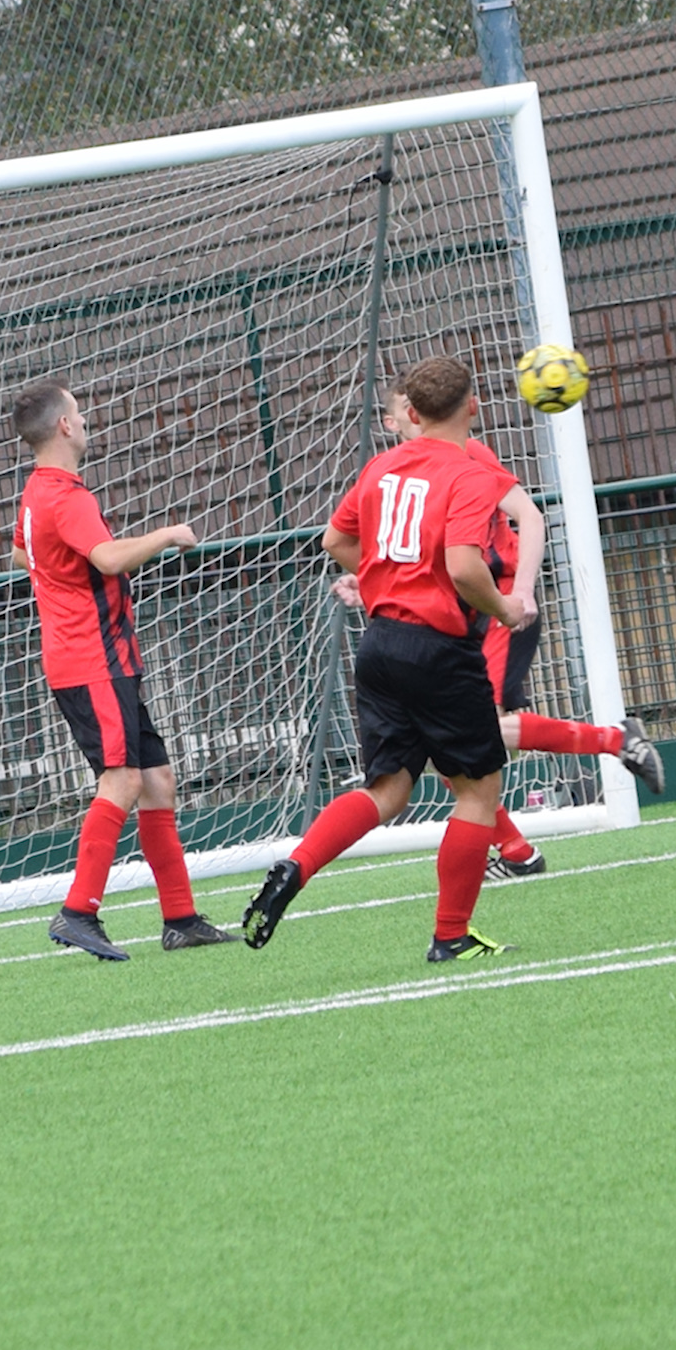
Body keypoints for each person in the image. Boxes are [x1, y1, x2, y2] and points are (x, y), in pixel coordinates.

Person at [242, 355, 527, 962]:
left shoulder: (382, 467)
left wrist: (380, 580)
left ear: (413, 414)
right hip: (438, 647)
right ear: (473, 407)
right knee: (478, 792)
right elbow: (464, 567)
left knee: (388, 790)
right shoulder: (470, 473)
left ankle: (295, 867)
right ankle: (451, 934)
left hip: (378, 646)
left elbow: (334, 540)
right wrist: (504, 609)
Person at [335, 383, 665, 880]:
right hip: (456, 614)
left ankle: (612, 741)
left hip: (492, 602)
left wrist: (523, 590)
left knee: (474, 732)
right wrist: (373, 584)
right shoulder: (397, 472)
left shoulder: (466, 453)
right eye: (404, 409)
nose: (414, 414)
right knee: (452, 747)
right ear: (395, 420)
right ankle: (517, 851)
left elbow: (529, 516)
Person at [11, 381, 237, 961]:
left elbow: (22, 553)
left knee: (158, 780)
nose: (86, 422)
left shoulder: (39, 492)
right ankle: (77, 911)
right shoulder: (65, 495)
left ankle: (181, 919)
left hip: (100, 658)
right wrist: (167, 534)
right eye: (80, 414)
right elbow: (107, 558)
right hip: (91, 660)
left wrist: (60, 577)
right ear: (64, 427)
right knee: (123, 780)